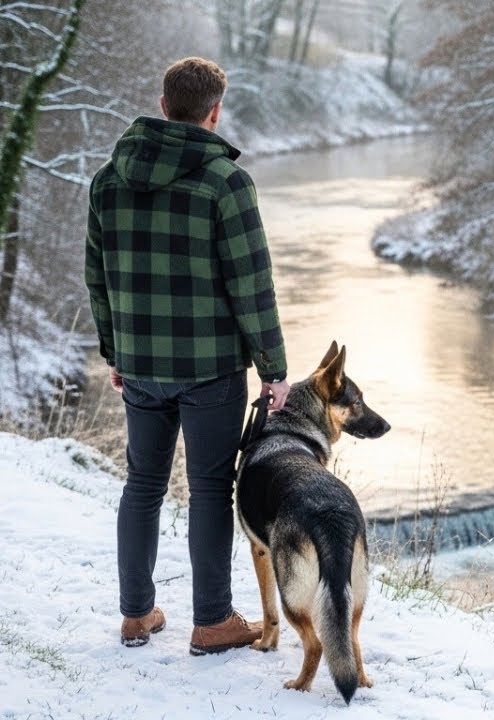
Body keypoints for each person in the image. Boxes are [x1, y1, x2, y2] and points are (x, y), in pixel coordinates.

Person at [85, 57, 290, 654]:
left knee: (142, 483)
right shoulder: (224, 183)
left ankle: (136, 614)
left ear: (163, 101)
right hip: (211, 370)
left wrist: (115, 351)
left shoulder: (108, 179)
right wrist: (273, 369)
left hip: (141, 365)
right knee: (208, 488)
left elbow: (97, 278)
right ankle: (212, 621)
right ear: (214, 110)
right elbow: (252, 284)